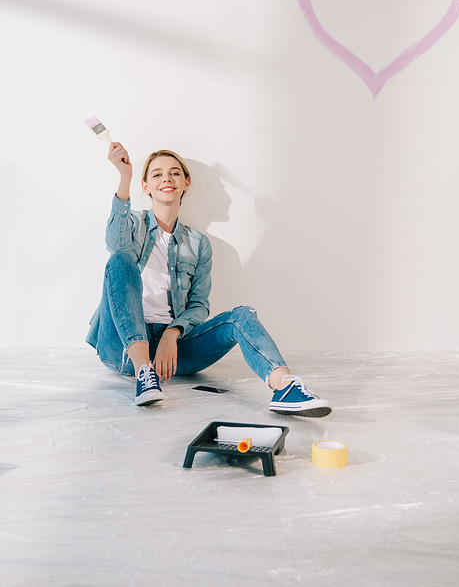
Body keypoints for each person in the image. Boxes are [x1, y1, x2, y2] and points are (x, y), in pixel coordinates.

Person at [86, 142, 332, 417]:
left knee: (242, 315)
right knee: (120, 259)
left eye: (174, 173)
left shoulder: (198, 243)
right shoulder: (134, 224)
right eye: (156, 174)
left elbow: (199, 305)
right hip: (122, 347)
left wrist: (173, 332)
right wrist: (125, 177)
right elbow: (116, 244)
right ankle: (145, 374)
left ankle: (285, 386)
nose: (166, 178)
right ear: (145, 186)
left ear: (185, 183)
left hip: (174, 353)